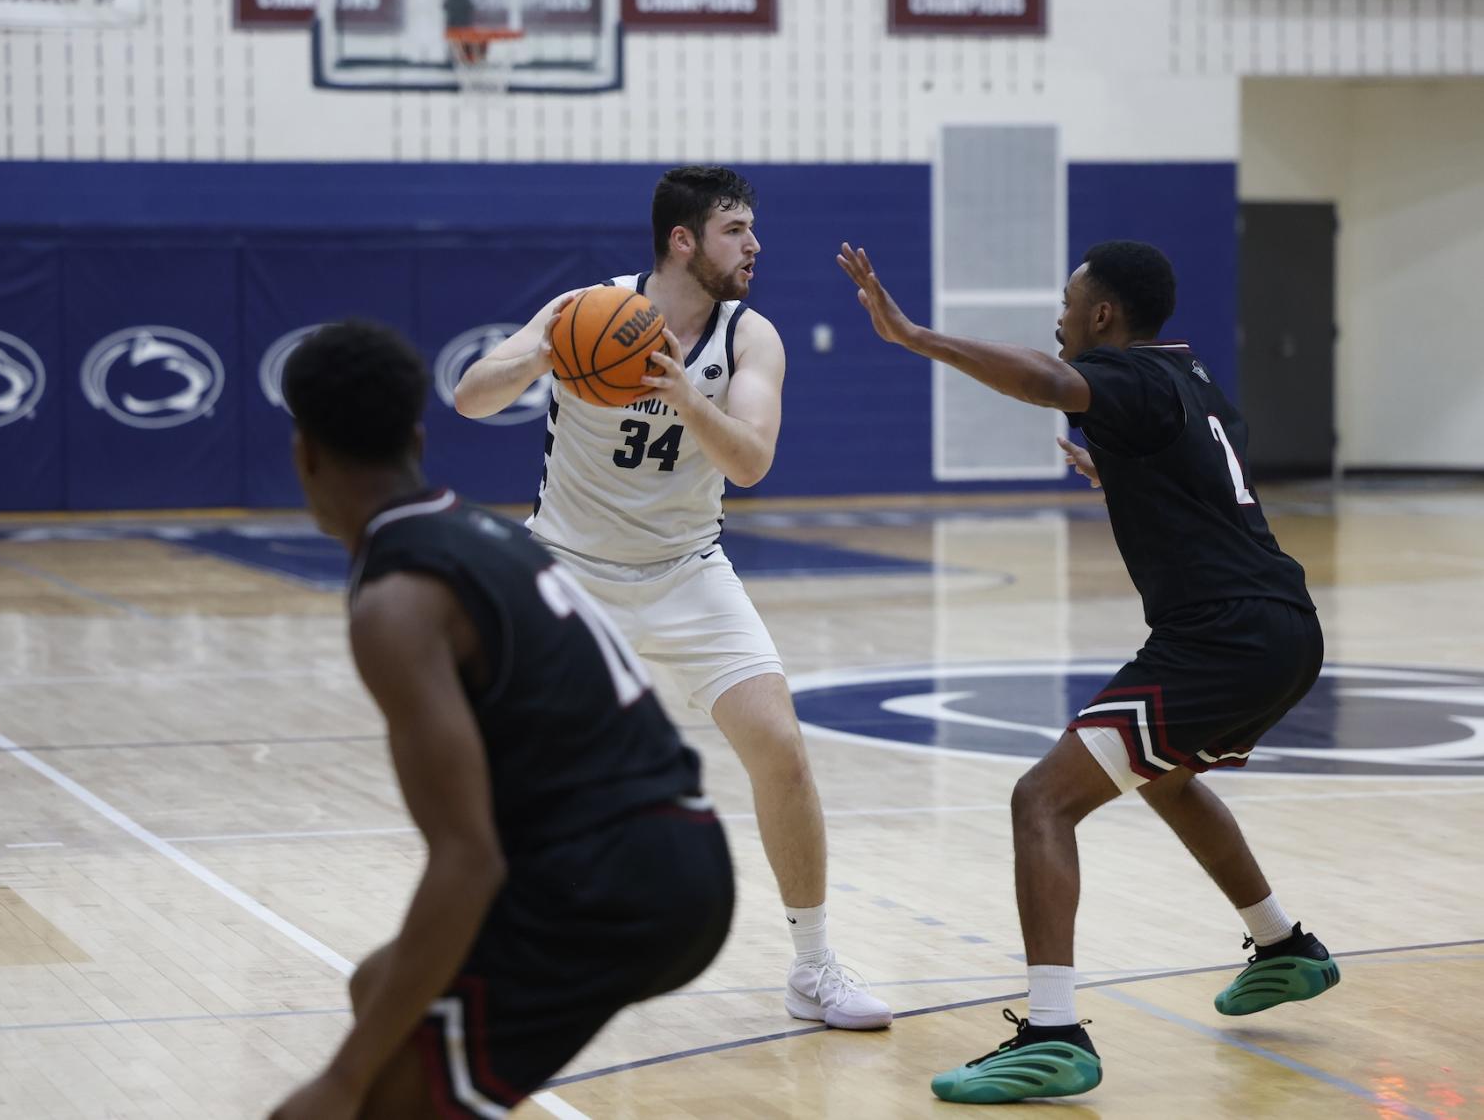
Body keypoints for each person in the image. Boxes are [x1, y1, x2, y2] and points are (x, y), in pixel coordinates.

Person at [838, 240, 1339, 1103]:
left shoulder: (1130, 375)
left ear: (1103, 314)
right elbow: (1199, 482)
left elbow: (1045, 380)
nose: (1059, 317)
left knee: (1042, 799)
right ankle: (1282, 942)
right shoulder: (1194, 381)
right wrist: (1121, 472)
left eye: (1069, 302)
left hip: (1221, 636)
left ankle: (1053, 1031)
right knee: (1167, 778)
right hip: (1286, 627)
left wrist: (916, 336)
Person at [453, 166, 892, 1031]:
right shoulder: (586, 308)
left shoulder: (751, 337)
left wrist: (687, 396)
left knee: (782, 751)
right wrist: (541, 351)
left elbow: (751, 462)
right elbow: (471, 397)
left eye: (752, 228)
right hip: (570, 570)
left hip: (687, 570)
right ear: (683, 240)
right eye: (736, 229)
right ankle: (506, 953)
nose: (755, 245)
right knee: (525, 769)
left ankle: (813, 967)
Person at [268, 320, 734, 1119]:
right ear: (417, 439)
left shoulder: (397, 604)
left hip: (611, 884)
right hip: (678, 850)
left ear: (304, 454)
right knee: (376, 987)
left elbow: (467, 859)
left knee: (375, 1096)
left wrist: (340, 1077)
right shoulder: (473, 528)